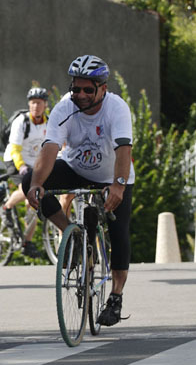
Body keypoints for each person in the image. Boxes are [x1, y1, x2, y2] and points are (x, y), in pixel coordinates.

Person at [24, 55, 134, 326]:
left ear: (103, 89)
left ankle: (116, 297)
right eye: (76, 88)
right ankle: (70, 233)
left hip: (113, 176)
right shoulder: (64, 108)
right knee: (28, 180)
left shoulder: (116, 108)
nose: (81, 95)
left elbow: (124, 149)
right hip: (76, 168)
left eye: (88, 89)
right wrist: (37, 183)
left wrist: (118, 185)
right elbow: (49, 150)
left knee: (119, 232)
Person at [2, 87, 51, 258]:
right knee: (27, 186)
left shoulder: (48, 122)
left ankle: (26, 242)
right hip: (15, 160)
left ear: (45, 104)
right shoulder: (22, 121)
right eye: (32, 103)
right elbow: (15, 148)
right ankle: (6, 207)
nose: (35, 106)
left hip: (34, 163)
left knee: (34, 202)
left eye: (38, 103)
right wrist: (21, 166)